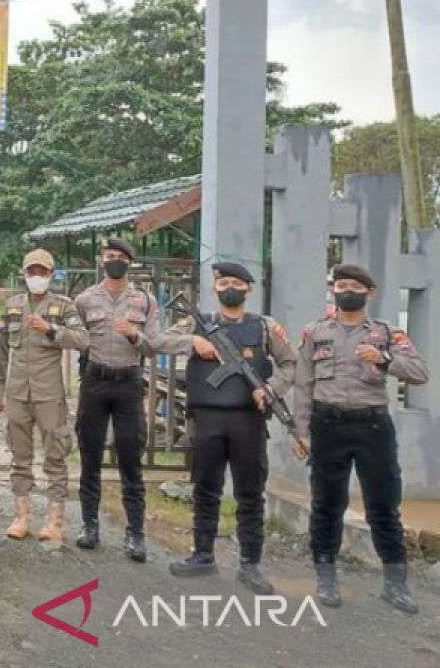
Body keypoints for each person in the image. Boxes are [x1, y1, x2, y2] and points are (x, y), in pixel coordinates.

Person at [294, 263, 430, 614]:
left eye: (355, 285)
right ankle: (326, 577)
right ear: (332, 291)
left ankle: (395, 584)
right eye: (341, 285)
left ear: (370, 294)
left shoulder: (387, 334)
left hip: (372, 427)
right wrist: (301, 431)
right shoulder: (313, 332)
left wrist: (385, 360)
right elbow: (304, 385)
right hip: (328, 425)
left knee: (383, 505)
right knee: (326, 503)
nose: (347, 290)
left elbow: (420, 372)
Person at [163, 262, 296, 594]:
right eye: (224, 282)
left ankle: (250, 564)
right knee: (205, 489)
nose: (230, 287)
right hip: (206, 420)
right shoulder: (197, 322)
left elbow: (290, 363)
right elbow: (157, 341)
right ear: (215, 288)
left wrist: (272, 389)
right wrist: (193, 342)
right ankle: (203, 554)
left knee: (250, 494)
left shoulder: (265, 327)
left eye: (237, 282)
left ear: (249, 289)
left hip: (248, 422)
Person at [73, 237, 178, 562]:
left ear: (129, 262)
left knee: (131, 458)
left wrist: (135, 335)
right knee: (89, 455)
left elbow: (153, 345)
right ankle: (90, 525)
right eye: (109, 255)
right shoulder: (85, 298)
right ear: (101, 260)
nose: (113, 260)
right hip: (95, 381)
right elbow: (76, 338)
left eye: (119, 256)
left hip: (129, 383)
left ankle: (135, 533)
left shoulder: (144, 300)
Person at [0, 248, 88, 542]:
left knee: (55, 457)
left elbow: (82, 340)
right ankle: (21, 518)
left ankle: (55, 521)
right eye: (31, 271)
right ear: (24, 274)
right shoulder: (13, 307)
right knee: (20, 458)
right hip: (17, 393)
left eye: (42, 272)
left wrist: (50, 329)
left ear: (51, 274)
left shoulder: (63, 306)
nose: (36, 276)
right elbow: (1, 352)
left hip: (48, 395)